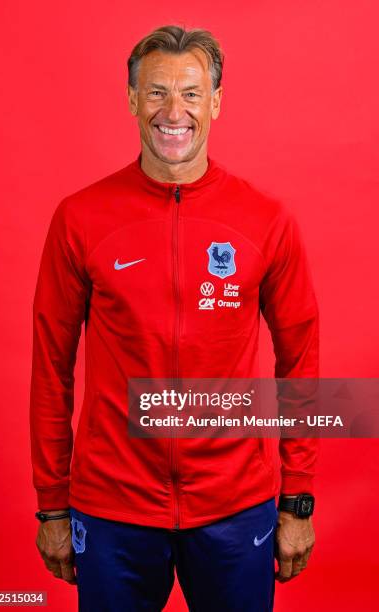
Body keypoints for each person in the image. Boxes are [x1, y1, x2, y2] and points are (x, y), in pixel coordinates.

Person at [30, 25, 319, 611]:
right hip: (112, 508)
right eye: (157, 91)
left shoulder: (266, 221)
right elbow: (50, 369)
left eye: (191, 92)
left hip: (235, 507)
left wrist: (299, 498)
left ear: (216, 102)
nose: (173, 110)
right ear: (132, 100)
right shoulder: (80, 217)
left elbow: (302, 364)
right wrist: (53, 504)